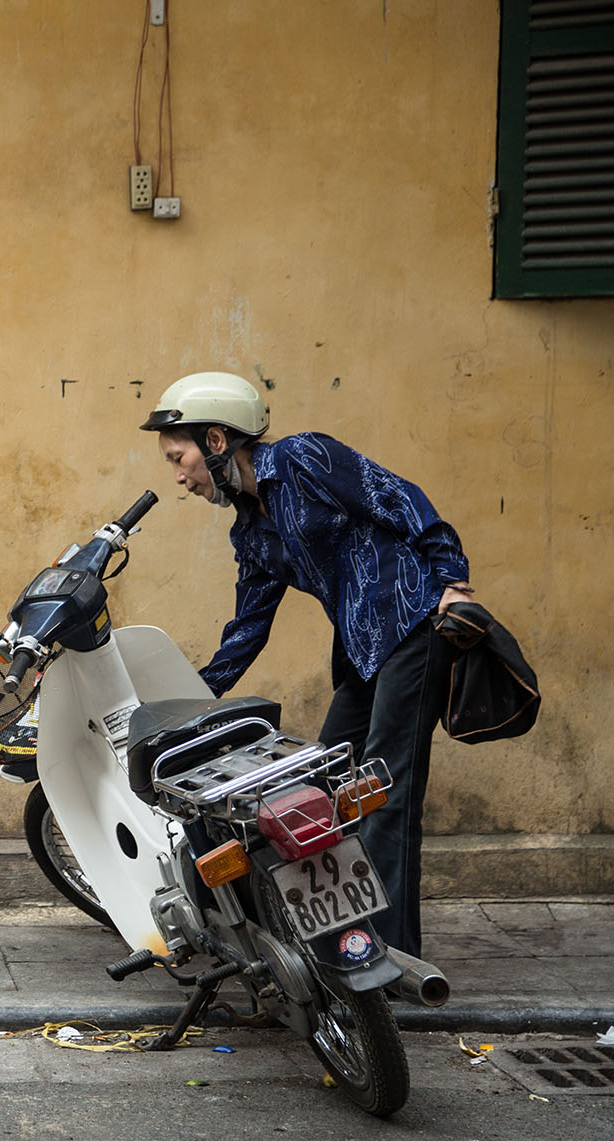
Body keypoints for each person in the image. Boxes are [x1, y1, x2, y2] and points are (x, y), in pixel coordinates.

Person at [141, 371, 472, 959]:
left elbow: (400, 498)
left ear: (216, 441)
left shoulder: (305, 457)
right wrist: (185, 702)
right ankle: (336, 937)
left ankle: (394, 959)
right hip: (359, 652)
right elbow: (246, 631)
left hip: (414, 623)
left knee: (386, 790)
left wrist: (453, 580)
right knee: (322, 788)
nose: (178, 477)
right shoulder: (251, 530)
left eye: (179, 456)